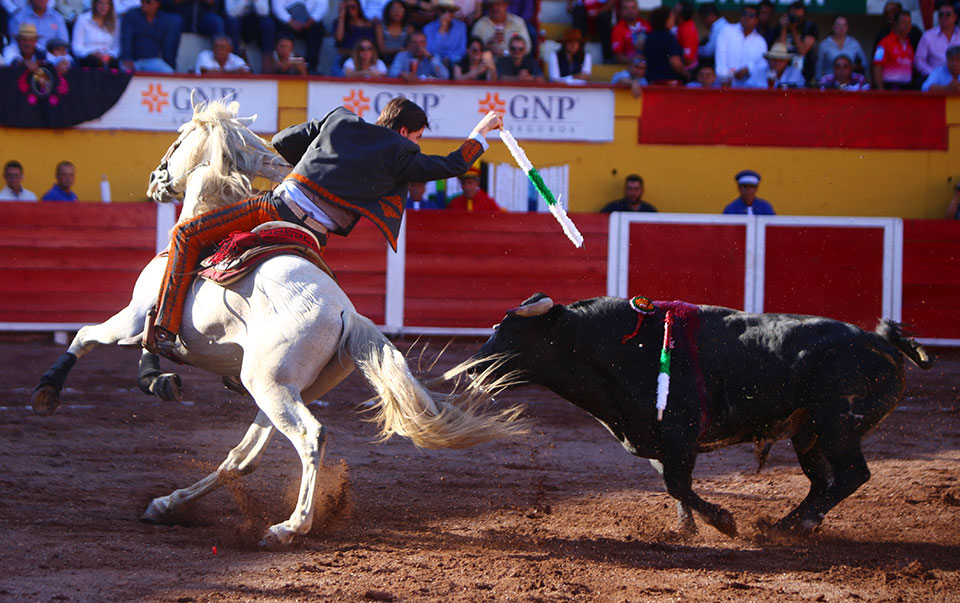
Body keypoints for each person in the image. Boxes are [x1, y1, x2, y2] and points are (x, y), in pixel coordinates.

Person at [145, 98, 504, 355]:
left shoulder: (340, 119)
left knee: (186, 233)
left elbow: (284, 141)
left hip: (275, 209)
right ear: (406, 130)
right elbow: (454, 164)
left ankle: (164, 328)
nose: (415, 144)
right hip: (314, 236)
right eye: (417, 138)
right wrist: (480, 134)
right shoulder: (402, 154)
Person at [120, 0, 183, 73]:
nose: (144, 4)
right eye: (142, 1)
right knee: (123, 70)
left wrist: (168, 62)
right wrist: (127, 58)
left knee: (168, 72)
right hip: (134, 60)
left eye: (148, 1)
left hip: (152, 61)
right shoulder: (131, 15)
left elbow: (167, 45)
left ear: (157, 4)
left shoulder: (164, 19)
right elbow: (126, 40)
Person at [715, 3, 768, 88]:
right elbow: (721, 55)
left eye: (751, 15)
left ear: (757, 20)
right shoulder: (727, 30)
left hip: (748, 87)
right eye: (744, 14)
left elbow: (762, 63)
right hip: (724, 84)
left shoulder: (760, 41)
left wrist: (748, 68)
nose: (747, 18)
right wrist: (724, 78)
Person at [273, 0, 326, 73]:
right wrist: (291, 22)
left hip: (309, 21)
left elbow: (322, 6)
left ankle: (310, 68)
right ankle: (280, 67)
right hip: (287, 21)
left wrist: (309, 22)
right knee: (276, 28)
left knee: (317, 28)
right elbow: (277, 7)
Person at [772, 0, 817, 83]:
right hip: (784, 74)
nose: (796, 20)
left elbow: (802, 51)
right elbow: (779, 51)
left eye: (799, 18)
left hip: (804, 73)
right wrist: (784, 28)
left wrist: (793, 30)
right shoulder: (781, 27)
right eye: (793, 16)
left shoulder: (809, 27)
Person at [224, 0, 276, 73]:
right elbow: (231, 12)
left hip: (255, 24)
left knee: (268, 23)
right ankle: (235, 63)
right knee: (232, 23)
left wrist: (256, 1)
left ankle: (267, 66)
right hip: (238, 22)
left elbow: (264, 12)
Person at [915, 0, 960, 78]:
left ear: (955, 17)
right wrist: (934, 74)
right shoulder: (928, 35)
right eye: (941, 15)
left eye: (948, 14)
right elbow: (919, 61)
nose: (944, 17)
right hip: (935, 77)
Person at [873, 9, 916, 90]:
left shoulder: (909, 44)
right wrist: (880, 89)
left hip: (907, 87)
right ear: (895, 24)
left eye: (909, 22)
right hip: (890, 86)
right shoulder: (884, 43)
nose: (907, 25)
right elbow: (877, 66)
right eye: (903, 22)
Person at [71, 0, 121, 68]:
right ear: (95, 4)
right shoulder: (83, 19)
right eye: (101, 3)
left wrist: (109, 55)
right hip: (88, 57)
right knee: (92, 61)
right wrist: (91, 53)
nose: (103, 6)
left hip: (108, 58)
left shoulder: (115, 22)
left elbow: (116, 47)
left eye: (107, 3)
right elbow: (76, 47)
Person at [816, 15, 866, 81]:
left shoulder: (854, 43)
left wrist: (854, 67)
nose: (841, 28)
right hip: (830, 84)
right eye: (838, 25)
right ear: (833, 27)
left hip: (850, 83)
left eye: (844, 25)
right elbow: (818, 67)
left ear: (847, 27)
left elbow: (864, 63)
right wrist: (820, 84)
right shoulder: (824, 44)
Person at [643, 6, 685, 84]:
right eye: (672, 18)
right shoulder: (669, 38)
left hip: (650, 81)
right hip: (667, 82)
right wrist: (687, 75)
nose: (674, 20)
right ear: (666, 20)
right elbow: (675, 62)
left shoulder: (648, 36)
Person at [423, 0, 466, 65]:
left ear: (454, 13)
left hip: (454, 63)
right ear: (438, 11)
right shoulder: (428, 28)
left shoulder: (461, 27)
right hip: (434, 63)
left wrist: (449, 58)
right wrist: (441, 30)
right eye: (443, 11)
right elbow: (431, 50)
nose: (446, 14)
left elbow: (462, 50)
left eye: (450, 11)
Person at [609, 0, 649, 65]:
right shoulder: (617, 29)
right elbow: (618, 58)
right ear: (621, 11)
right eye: (626, 8)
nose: (630, 11)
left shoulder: (647, 25)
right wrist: (634, 59)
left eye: (633, 7)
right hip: (628, 68)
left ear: (638, 9)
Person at [374, 0, 411, 66]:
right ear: (388, 11)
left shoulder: (409, 28)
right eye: (394, 8)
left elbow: (409, 49)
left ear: (405, 11)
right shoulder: (380, 26)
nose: (397, 12)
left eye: (400, 9)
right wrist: (399, 50)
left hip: (403, 62)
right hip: (384, 60)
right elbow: (381, 50)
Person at [672, 0, 697, 73]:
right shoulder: (681, 26)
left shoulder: (687, 31)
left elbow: (688, 60)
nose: (671, 12)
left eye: (674, 11)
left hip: (687, 71)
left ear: (681, 17)